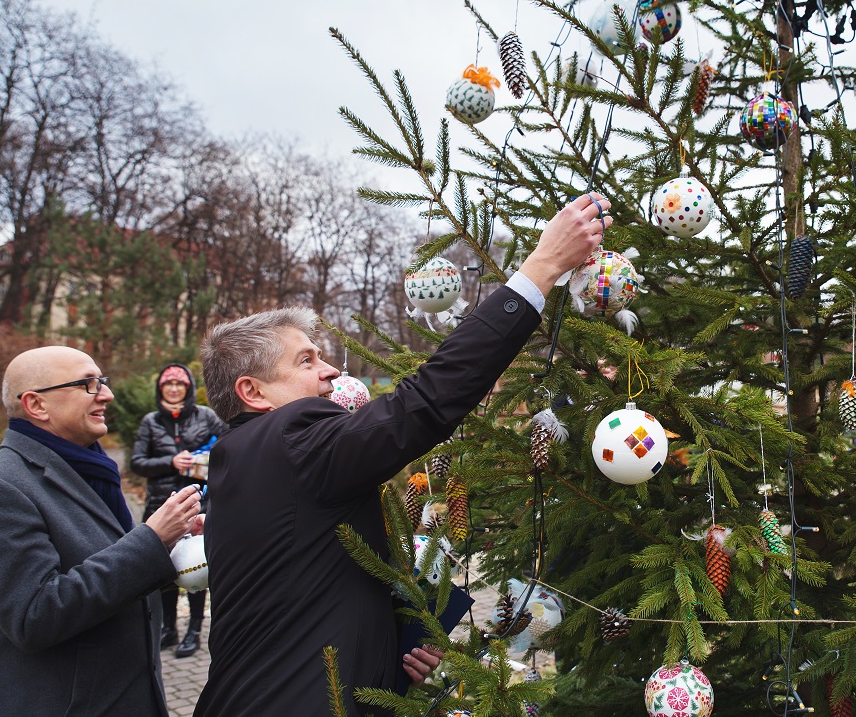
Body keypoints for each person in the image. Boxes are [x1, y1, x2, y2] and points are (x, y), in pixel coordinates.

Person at [194, 193, 609, 716]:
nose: (330, 372)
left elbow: (302, 589)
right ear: (253, 393)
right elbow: (423, 403)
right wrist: (542, 267)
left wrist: (396, 643)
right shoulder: (289, 438)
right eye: (306, 360)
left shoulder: (245, 461)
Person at [0, 346, 204, 716]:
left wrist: (173, 549)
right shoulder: (1, 485)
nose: (107, 394)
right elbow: (33, 615)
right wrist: (151, 539)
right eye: (87, 384)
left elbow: (103, 567)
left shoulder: (89, 469)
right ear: (37, 405)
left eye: (102, 381)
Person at [132, 363, 227, 658]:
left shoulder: (206, 415)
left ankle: (194, 630)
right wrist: (170, 462)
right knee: (164, 568)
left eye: (179, 385)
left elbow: (229, 445)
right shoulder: (151, 421)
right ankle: (168, 628)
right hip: (160, 505)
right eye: (167, 385)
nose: (174, 389)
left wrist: (205, 459)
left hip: (199, 503)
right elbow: (137, 462)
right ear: (160, 389)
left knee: (196, 565)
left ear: (187, 389)